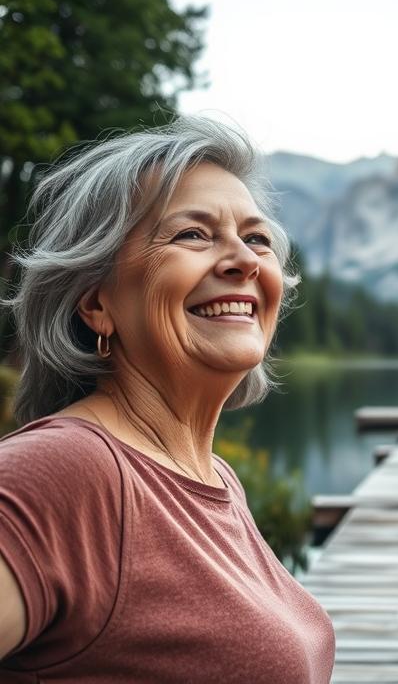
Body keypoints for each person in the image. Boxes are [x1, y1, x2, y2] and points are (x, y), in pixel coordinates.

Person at [0, 117, 336, 681]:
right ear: (95, 303)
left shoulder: (217, 479)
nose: (245, 261)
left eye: (256, 238)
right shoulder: (65, 473)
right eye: (193, 235)